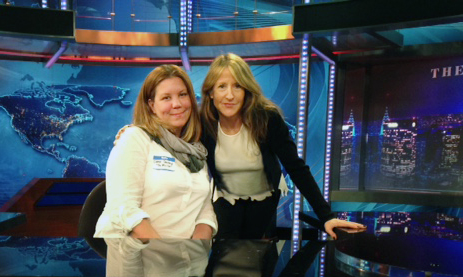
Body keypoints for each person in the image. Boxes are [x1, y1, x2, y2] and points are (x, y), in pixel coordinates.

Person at [200, 53, 364, 239]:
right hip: (226, 199)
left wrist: (326, 217)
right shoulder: (204, 125)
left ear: (246, 90)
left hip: (264, 198)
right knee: (226, 257)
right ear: (211, 92)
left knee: (258, 258)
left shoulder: (267, 119)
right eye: (222, 86)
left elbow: (296, 168)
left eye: (237, 86)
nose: (229, 95)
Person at [95, 64, 217, 241]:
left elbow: (204, 211)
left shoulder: (196, 150)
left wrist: (197, 249)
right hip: (136, 254)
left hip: (185, 259)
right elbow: (124, 209)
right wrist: (166, 253)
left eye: (183, 95)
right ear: (151, 105)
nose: (177, 104)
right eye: (166, 98)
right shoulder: (134, 139)